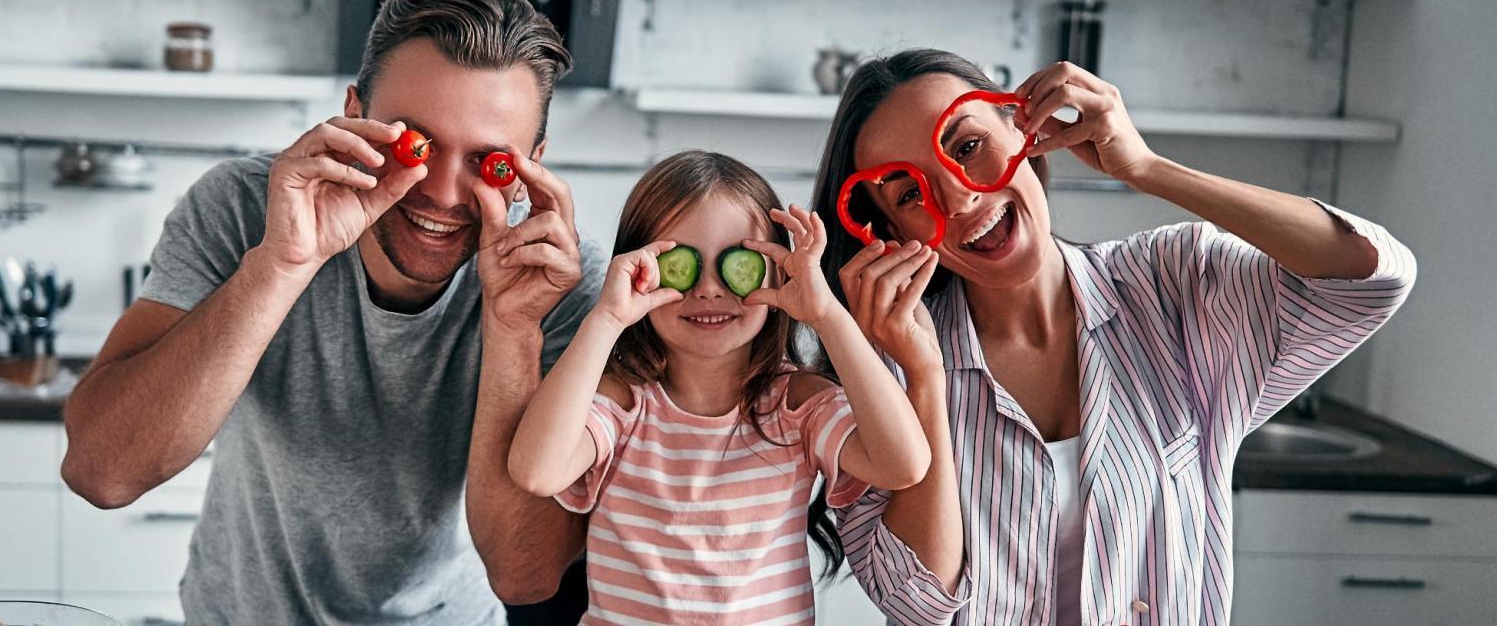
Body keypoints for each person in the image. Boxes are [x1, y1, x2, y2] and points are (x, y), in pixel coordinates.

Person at [59, 0, 605, 624]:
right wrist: (284, 264)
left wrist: (514, 329)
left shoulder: (556, 277)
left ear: (534, 163)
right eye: (413, 144)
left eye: (491, 164)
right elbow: (102, 472)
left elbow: (525, 575)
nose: (442, 194)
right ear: (353, 113)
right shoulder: (242, 207)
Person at [811, 51, 1415, 624]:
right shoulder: (880, 372)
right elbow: (917, 606)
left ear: (1024, 133)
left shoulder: (1173, 285)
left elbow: (1369, 277)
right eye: (911, 193)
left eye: (969, 146)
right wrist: (924, 376)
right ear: (888, 231)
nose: (961, 195)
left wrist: (1146, 169)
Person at [505, 150, 931, 624]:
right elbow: (536, 472)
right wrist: (606, 319)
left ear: (775, 269)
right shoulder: (623, 403)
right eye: (680, 265)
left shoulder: (795, 407)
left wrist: (827, 314)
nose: (709, 289)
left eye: (737, 263)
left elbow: (904, 464)